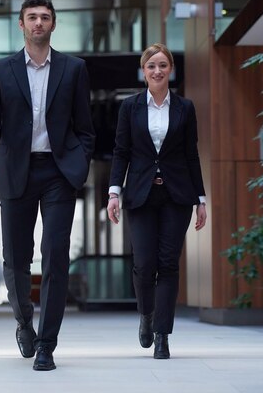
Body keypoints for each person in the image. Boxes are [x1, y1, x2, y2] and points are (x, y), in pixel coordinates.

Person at [0, 0, 95, 371]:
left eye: (44, 17)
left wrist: (79, 161)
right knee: (16, 258)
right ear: (21, 25)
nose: (38, 23)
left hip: (58, 172)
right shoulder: (1, 69)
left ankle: (47, 344)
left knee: (56, 255)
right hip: (15, 172)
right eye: (32, 17)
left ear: (53, 24)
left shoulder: (73, 69)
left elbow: (84, 127)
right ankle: (24, 321)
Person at [106, 43, 206, 359]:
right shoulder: (130, 107)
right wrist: (113, 192)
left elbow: (191, 154)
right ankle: (146, 315)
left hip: (177, 194)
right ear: (144, 70)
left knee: (168, 263)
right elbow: (121, 151)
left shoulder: (185, 108)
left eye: (163, 65)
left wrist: (201, 198)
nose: (157, 71)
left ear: (170, 69)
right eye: (151, 66)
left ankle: (162, 334)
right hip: (140, 194)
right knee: (144, 263)